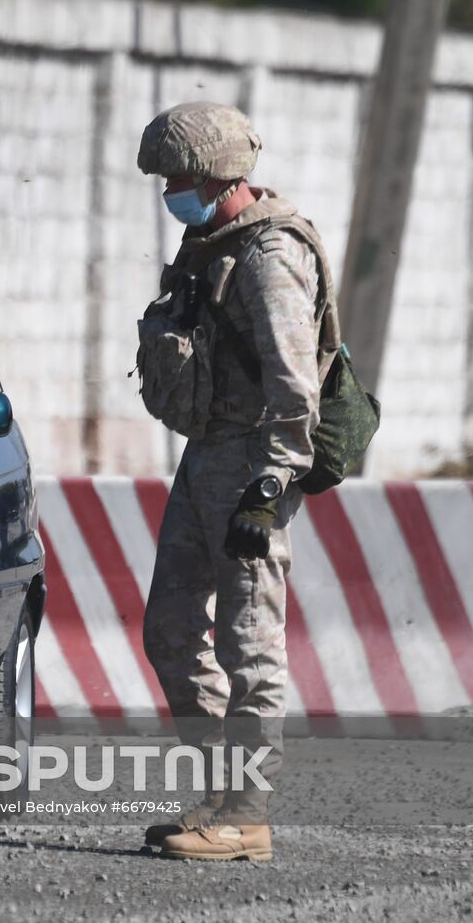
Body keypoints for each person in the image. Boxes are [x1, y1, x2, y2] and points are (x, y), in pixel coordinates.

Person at [134, 102, 339, 861]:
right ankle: (219, 792)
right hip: (206, 456)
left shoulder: (268, 257)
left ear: (220, 176)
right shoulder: (211, 243)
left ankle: (247, 815)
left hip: (255, 461)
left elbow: (296, 390)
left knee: (250, 641)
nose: (168, 192)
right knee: (171, 628)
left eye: (177, 178)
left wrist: (268, 487)